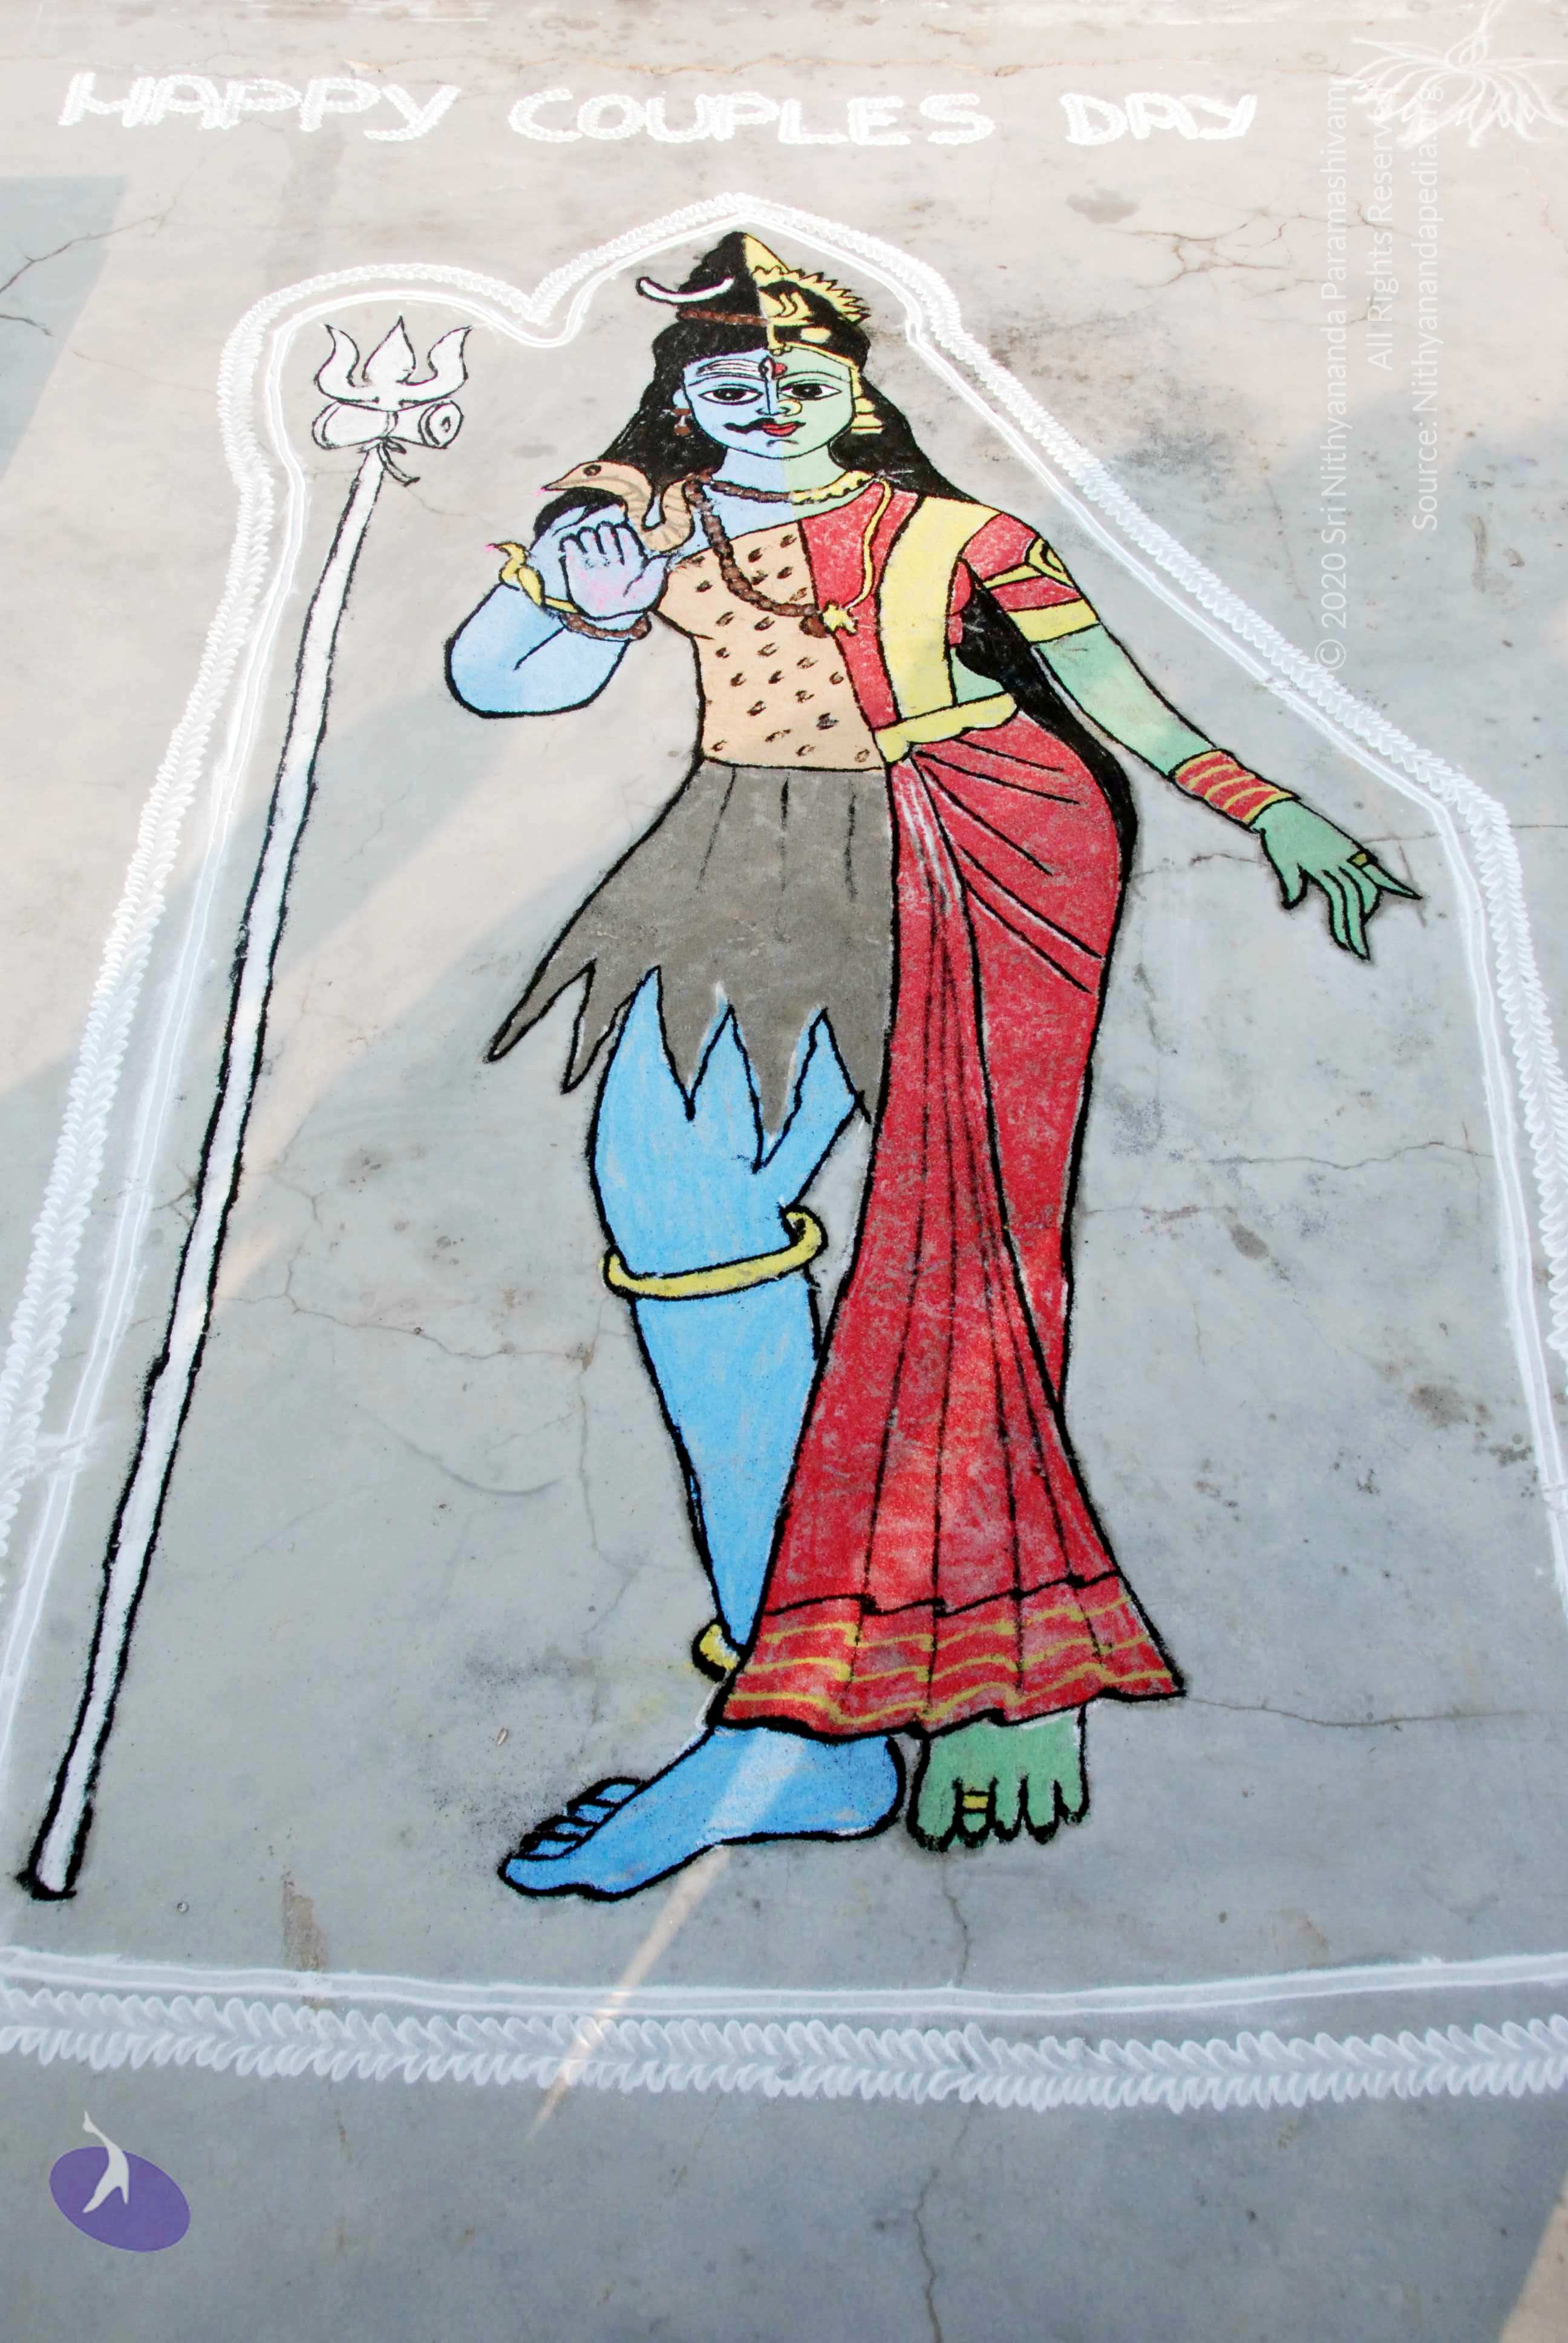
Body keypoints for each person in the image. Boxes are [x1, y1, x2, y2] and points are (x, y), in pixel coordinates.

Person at [446, 233, 1416, 1901]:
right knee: (671, 1208)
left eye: (803, 372)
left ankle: (893, 1700)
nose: (768, 401)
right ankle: (805, 1707)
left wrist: (1270, 811)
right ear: (688, 397)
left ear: (856, 387)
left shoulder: (964, 540)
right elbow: (499, 682)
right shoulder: (654, 528)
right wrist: (577, 601)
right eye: (730, 378)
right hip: (739, 853)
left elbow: (1118, 706)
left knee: (955, 1252)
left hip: (968, 847)